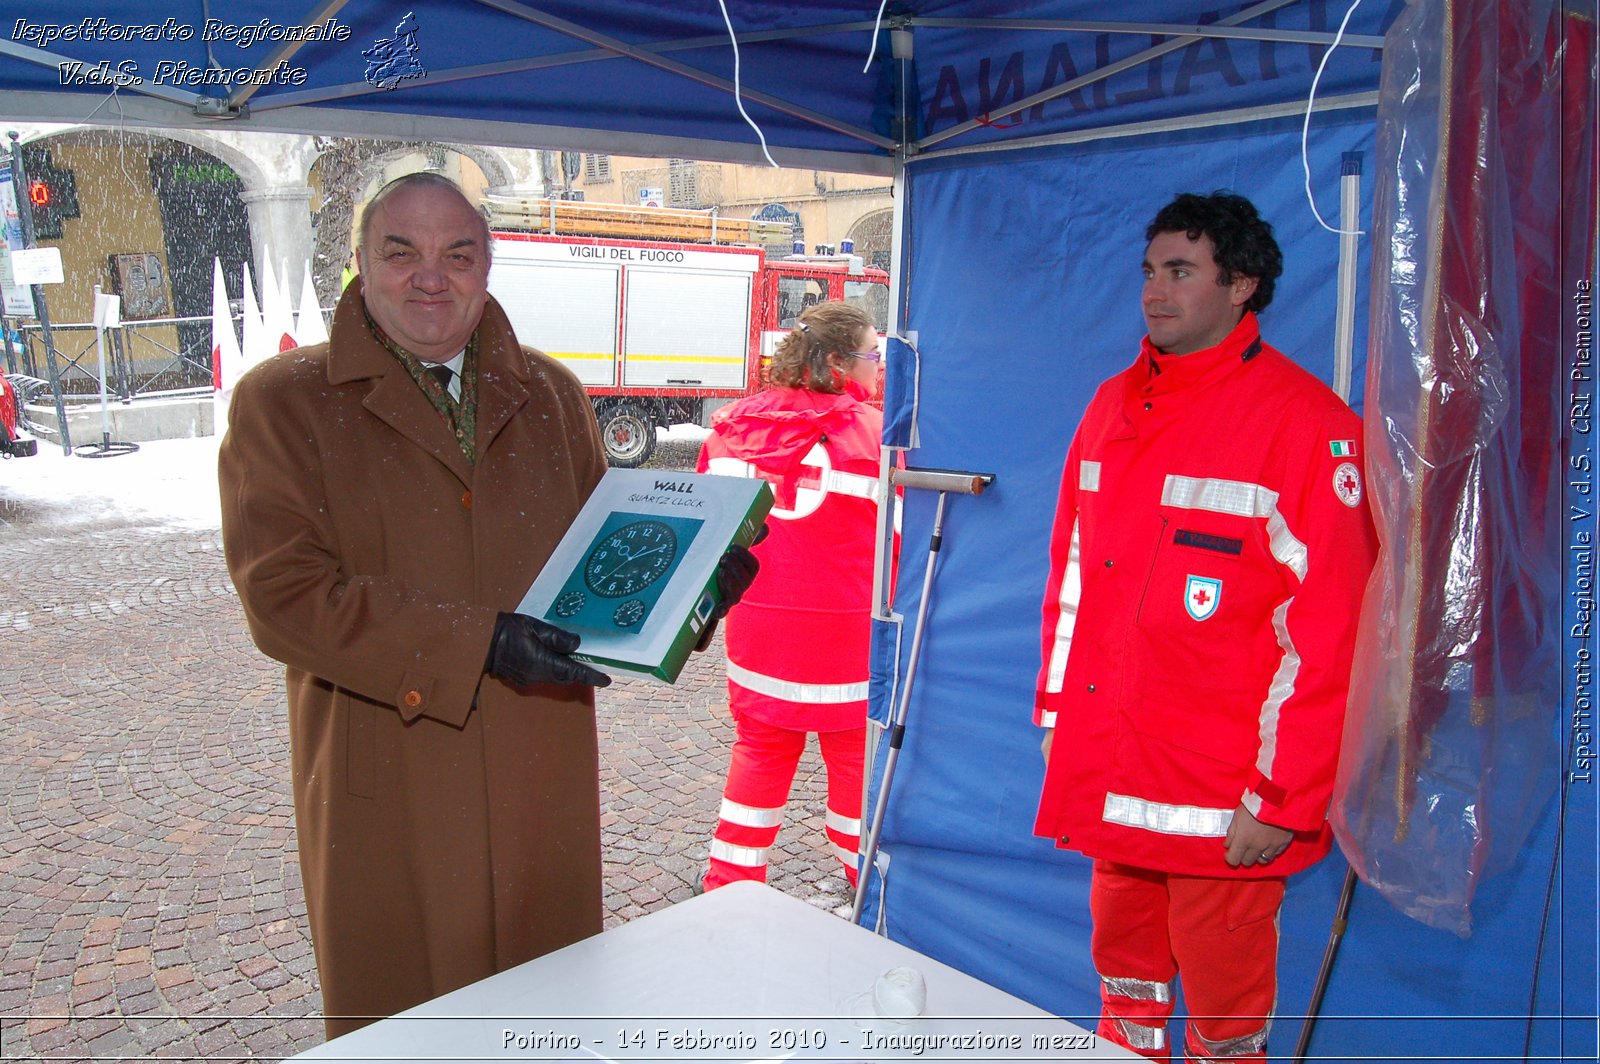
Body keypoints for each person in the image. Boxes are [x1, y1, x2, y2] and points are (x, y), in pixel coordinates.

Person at [218, 172, 754, 1038]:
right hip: (389, 775)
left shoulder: (550, 393)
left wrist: (689, 595)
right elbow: (284, 597)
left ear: (488, 266)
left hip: (538, 766)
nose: (432, 276)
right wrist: (478, 643)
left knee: (551, 1013)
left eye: (458, 254)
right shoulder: (283, 403)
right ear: (360, 264)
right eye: (403, 252)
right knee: (408, 1025)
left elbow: (598, 572)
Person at [1033, 192, 1377, 1062]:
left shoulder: (1308, 428)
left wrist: (1282, 795)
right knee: (1127, 992)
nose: (1155, 289)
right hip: (1116, 772)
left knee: (1227, 1028)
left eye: (1180, 270)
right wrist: (1055, 714)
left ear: (1242, 286)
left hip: (1227, 804)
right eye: (1150, 270)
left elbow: (1331, 634)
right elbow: (1072, 577)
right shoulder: (1111, 407)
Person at [697, 301, 888, 893]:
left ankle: (730, 882)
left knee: (759, 753)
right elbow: (900, 550)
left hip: (760, 635)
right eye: (872, 355)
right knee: (856, 766)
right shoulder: (878, 435)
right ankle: (868, 886)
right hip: (847, 640)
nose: (879, 369)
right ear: (837, 362)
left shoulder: (730, 429)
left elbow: (704, 532)